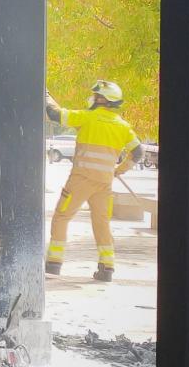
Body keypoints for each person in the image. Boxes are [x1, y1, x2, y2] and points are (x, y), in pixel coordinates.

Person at [45, 80, 143, 282]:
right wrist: (118, 170)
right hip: (104, 183)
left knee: (62, 217)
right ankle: (107, 268)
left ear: (101, 99)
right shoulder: (124, 127)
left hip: (81, 180)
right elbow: (138, 152)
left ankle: (54, 264)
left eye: (95, 95)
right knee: (102, 223)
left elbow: (55, 114)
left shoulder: (87, 117)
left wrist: (44, 93)